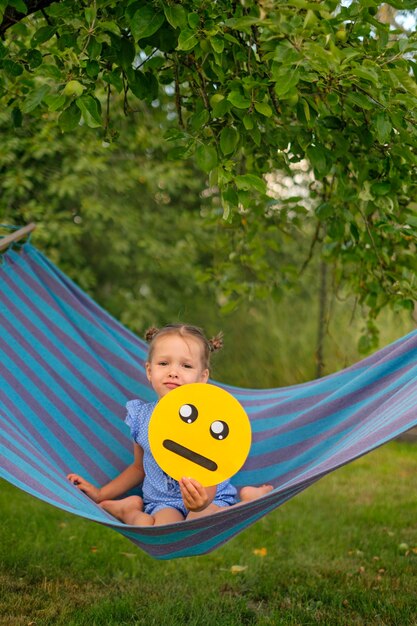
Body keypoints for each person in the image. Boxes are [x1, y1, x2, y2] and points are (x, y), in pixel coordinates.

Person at [67, 324, 272, 526]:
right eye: (164, 364)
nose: (173, 372)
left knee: (199, 522)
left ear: (202, 378)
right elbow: (139, 468)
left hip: (209, 498)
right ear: (149, 370)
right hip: (163, 502)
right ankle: (128, 509)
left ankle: (249, 500)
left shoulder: (208, 420)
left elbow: (210, 467)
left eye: (186, 366)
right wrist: (100, 493)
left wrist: (200, 504)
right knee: (161, 529)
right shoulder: (142, 417)